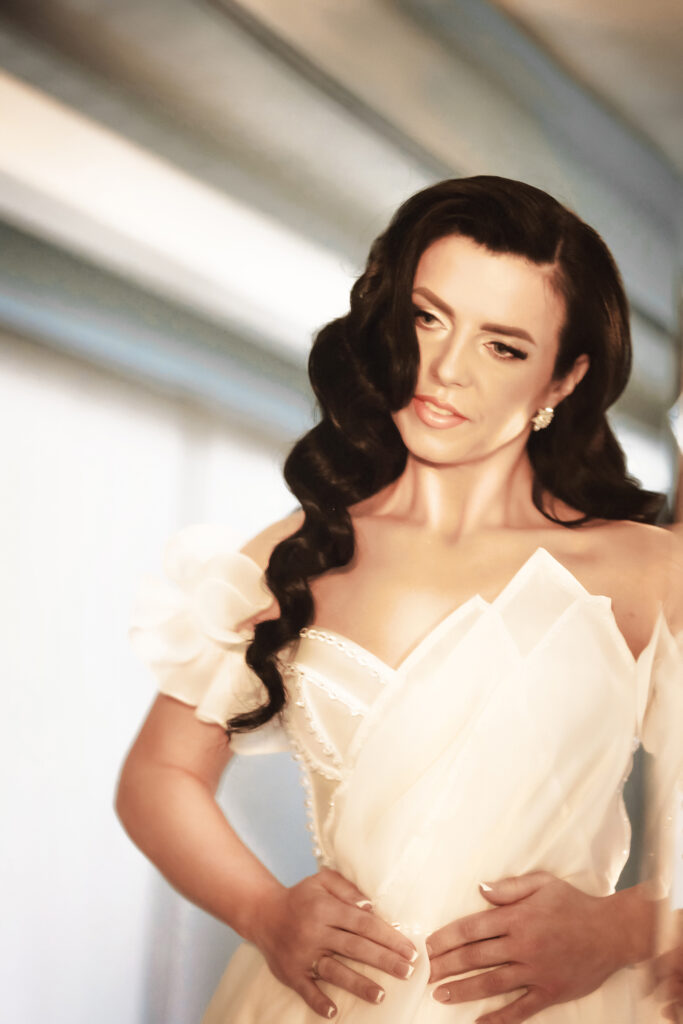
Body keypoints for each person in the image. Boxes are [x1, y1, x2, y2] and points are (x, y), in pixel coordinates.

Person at [117, 175, 683, 1023]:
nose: (445, 369)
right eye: (427, 318)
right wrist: (264, 913)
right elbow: (158, 774)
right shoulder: (297, 551)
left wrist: (621, 927)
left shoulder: (644, 571)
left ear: (562, 381)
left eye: (502, 346)